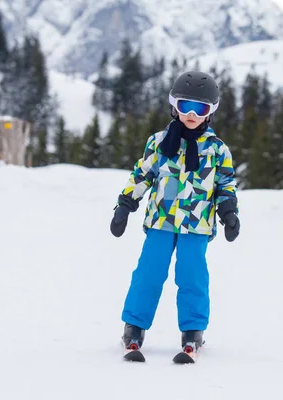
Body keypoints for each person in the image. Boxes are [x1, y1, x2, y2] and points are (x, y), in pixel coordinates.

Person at [110, 71, 240, 354]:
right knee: (148, 273)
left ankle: (193, 330)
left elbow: (225, 184)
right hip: (161, 222)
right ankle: (134, 325)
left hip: (197, 226)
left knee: (192, 276)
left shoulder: (217, 150)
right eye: (185, 106)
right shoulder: (158, 143)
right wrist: (125, 205)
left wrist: (229, 212)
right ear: (174, 106)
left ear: (210, 112)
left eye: (200, 108)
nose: (192, 114)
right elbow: (142, 175)